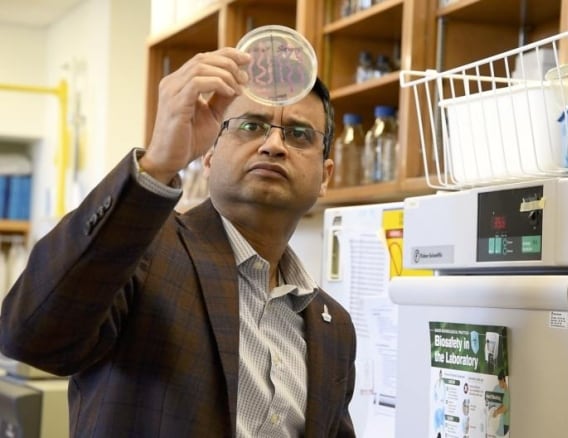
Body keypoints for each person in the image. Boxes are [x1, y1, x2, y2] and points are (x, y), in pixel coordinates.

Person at [0, 46, 357, 437]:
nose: (273, 145)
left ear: (325, 176)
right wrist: (158, 164)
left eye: (299, 134)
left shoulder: (333, 325)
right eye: (251, 126)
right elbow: (31, 336)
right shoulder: (145, 249)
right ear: (208, 158)